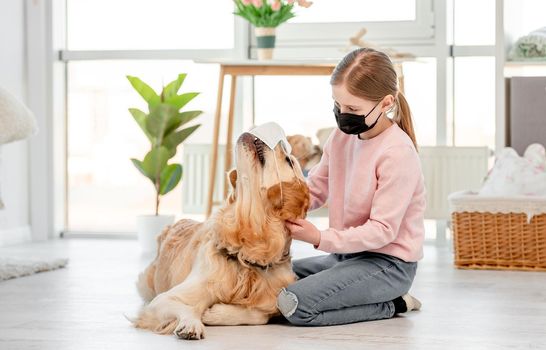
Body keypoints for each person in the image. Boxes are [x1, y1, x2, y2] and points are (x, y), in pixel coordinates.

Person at [276, 47, 425, 326]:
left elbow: (382, 231)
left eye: (353, 109)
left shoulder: (398, 153)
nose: (343, 114)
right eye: (338, 104)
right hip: (345, 257)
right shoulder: (341, 138)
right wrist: (278, 206)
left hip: (388, 266)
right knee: (268, 282)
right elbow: (316, 189)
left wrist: (318, 238)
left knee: (293, 304)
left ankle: (393, 304)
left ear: (385, 103)